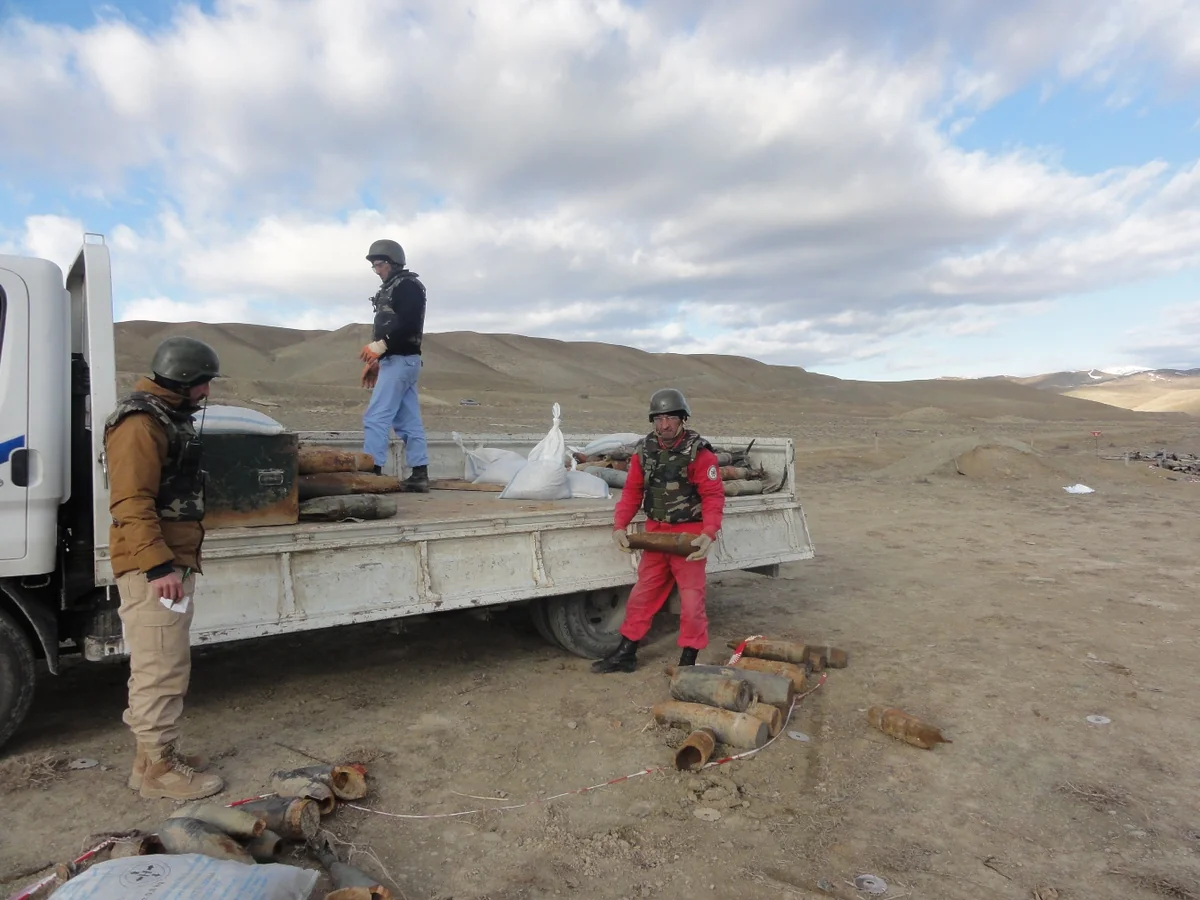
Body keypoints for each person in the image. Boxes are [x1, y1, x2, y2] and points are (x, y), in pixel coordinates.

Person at [103, 336, 225, 801]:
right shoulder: (140, 423)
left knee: (158, 661)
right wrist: (158, 568)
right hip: (152, 567)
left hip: (166, 560)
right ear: (181, 379)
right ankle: (160, 769)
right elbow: (131, 502)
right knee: (161, 667)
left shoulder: (161, 417)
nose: (206, 392)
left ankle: (148, 760)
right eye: (202, 383)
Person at [592, 388, 725, 674]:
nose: (665, 425)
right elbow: (632, 491)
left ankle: (688, 660)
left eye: (671, 418)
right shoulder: (645, 451)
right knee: (642, 595)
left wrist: (709, 532)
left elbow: (713, 496)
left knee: (691, 602)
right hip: (655, 534)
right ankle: (626, 653)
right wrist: (619, 525)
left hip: (688, 537)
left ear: (682, 419)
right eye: (659, 418)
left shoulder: (699, 454)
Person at [359, 238, 430, 492]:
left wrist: (380, 347)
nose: (377, 270)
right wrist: (378, 361)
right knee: (407, 420)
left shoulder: (407, 285)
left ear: (393, 262)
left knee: (376, 417)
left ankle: (372, 472)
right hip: (401, 361)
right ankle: (419, 474)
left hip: (400, 361)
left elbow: (408, 324)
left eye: (380, 264)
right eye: (375, 266)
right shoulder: (394, 287)